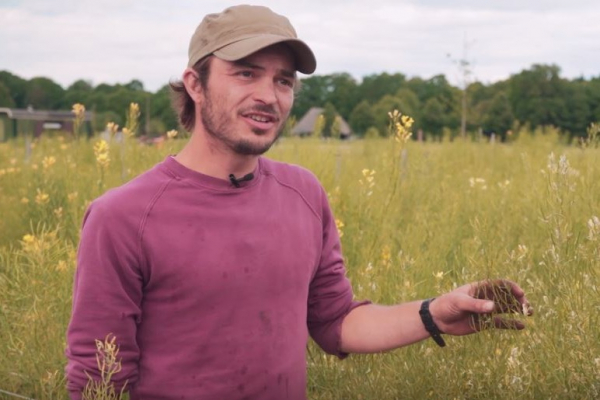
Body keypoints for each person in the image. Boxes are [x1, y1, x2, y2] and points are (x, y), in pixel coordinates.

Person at [65, 5, 532, 400]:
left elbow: (336, 321)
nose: (268, 96)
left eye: (283, 81)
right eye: (245, 73)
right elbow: (98, 379)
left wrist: (434, 314)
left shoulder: (303, 193)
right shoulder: (122, 216)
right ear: (195, 82)